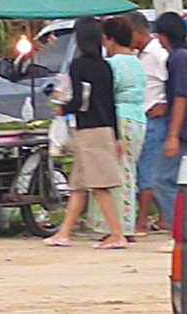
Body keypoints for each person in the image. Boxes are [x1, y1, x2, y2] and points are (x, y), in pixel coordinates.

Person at [43, 17, 127, 249]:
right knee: (78, 186)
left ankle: (117, 234)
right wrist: (117, 136)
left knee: (100, 186)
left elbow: (79, 100)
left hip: (89, 131)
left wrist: (63, 107)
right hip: (104, 129)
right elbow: (111, 103)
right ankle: (64, 232)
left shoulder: (79, 65)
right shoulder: (105, 66)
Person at [88, 17, 146, 241]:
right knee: (129, 171)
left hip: (119, 118)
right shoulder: (136, 62)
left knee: (113, 174)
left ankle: (115, 227)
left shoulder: (112, 65)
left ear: (110, 39)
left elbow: (105, 95)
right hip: (138, 119)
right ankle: (127, 223)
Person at [154, 12, 187, 230]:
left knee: (163, 180)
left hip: (181, 131)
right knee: (175, 180)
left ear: (164, 35)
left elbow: (182, 97)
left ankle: (179, 229)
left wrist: (172, 135)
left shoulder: (178, 58)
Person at [128, 11, 170, 235]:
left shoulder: (157, 55)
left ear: (137, 33)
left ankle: (142, 221)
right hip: (144, 118)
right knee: (146, 169)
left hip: (155, 119)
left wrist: (166, 104)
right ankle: (162, 217)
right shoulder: (139, 56)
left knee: (148, 171)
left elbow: (174, 82)